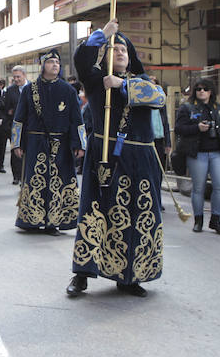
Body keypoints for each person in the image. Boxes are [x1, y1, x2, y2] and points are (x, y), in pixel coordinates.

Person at [67, 19, 166, 298]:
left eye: (123, 48)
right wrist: (102, 34)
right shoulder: (96, 80)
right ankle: (82, 274)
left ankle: (130, 276)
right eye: (114, 48)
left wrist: (122, 84)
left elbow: (158, 98)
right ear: (107, 55)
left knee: (137, 214)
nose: (119, 52)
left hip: (140, 159)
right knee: (95, 212)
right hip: (106, 156)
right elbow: (80, 58)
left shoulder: (142, 81)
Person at [12, 49, 85, 233]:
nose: (55, 65)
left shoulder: (68, 90)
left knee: (58, 182)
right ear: (43, 65)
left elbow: (77, 119)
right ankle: (33, 220)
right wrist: (17, 143)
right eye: (51, 61)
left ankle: (54, 221)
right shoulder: (30, 89)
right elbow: (19, 118)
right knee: (36, 181)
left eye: (57, 62)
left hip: (61, 144)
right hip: (36, 143)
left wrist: (79, 144)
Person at [175, 78, 220, 235]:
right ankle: (198, 220)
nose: (201, 91)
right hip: (197, 153)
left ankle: (215, 220)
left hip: (217, 152)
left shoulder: (218, 108)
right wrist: (197, 128)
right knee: (198, 188)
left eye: (205, 89)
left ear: (210, 91)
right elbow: (179, 128)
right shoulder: (187, 108)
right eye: (198, 89)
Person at [2, 67, 28, 183]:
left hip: (29, 126)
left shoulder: (32, 88)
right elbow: (6, 109)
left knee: (27, 151)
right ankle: (16, 176)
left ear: (24, 75)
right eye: (14, 77)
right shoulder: (11, 90)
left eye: (18, 77)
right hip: (15, 126)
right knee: (15, 151)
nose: (16, 79)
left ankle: (26, 175)